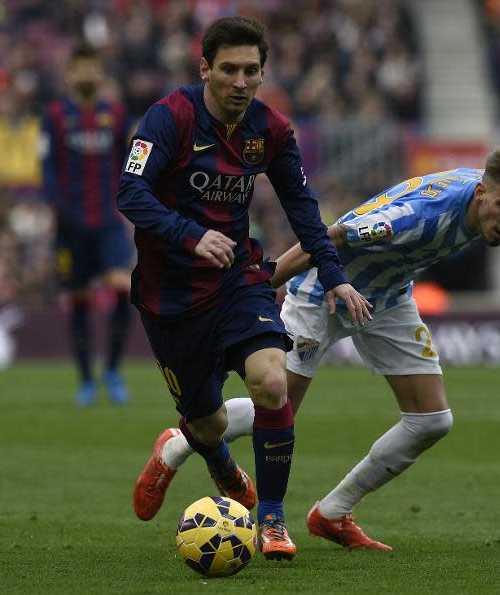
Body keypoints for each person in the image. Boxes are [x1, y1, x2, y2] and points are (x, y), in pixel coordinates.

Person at [149, 145, 500, 551]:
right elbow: (328, 239)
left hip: (387, 296)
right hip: (325, 291)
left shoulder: (497, 190)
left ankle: (331, 513)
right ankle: (178, 442)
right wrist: (262, 286)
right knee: (280, 408)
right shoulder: (415, 218)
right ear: (480, 195)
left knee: (432, 420)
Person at [118, 16, 370, 562]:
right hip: (171, 297)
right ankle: (203, 453)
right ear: (204, 67)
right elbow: (130, 193)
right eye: (228, 69)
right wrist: (189, 236)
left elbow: (303, 211)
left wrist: (335, 278)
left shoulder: (270, 130)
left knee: (271, 382)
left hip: (238, 279)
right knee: (206, 424)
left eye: (250, 71)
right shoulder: (169, 119)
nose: (239, 81)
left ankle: (273, 521)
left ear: (263, 73)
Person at [41, 43, 134, 406]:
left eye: (92, 68)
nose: (86, 75)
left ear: (100, 73)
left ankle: (111, 369)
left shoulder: (116, 113)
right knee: (78, 300)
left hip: (109, 222)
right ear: (70, 75)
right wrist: (58, 208)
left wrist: (134, 193)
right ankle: (85, 380)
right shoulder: (54, 115)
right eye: (79, 69)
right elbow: (47, 165)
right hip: (71, 225)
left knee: (123, 289)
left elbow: (131, 156)